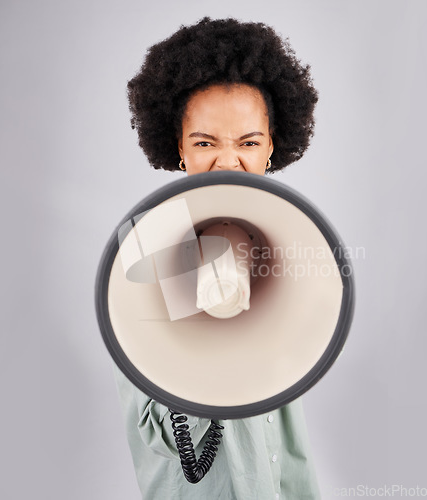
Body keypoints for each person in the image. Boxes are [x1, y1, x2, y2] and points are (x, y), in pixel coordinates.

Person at [113, 17, 320, 499]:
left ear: (271, 147)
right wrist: (211, 330)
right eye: (206, 143)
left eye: (248, 142)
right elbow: (158, 436)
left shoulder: (283, 238)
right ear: (179, 148)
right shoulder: (143, 252)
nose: (228, 161)